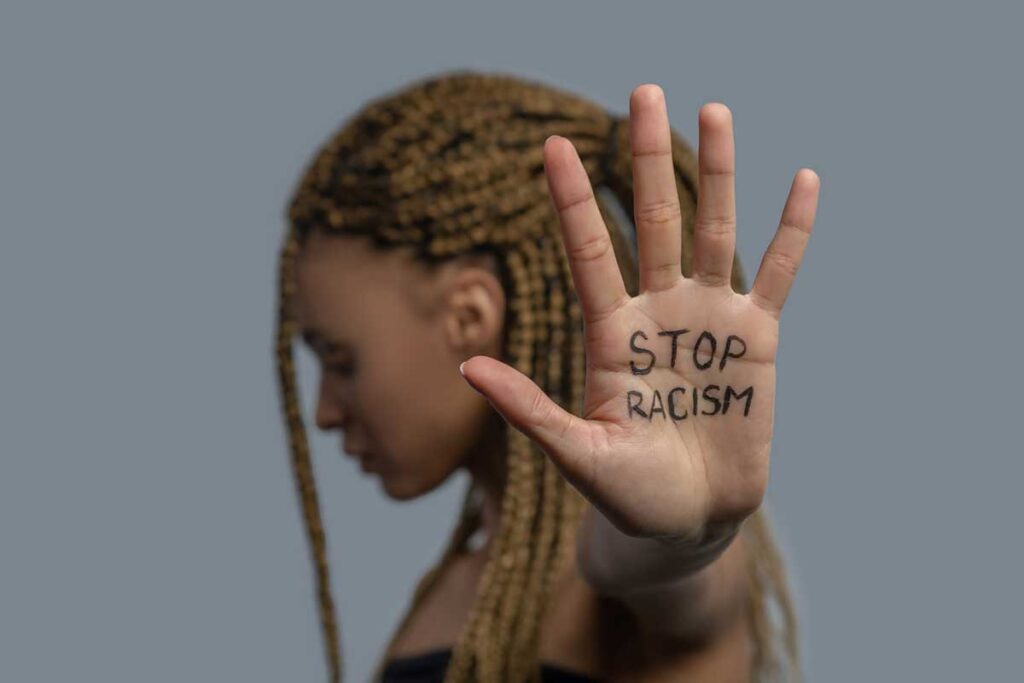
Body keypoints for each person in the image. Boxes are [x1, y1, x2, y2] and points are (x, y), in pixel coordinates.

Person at [274, 70, 818, 682]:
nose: (323, 411)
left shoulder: (629, 581)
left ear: (470, 315)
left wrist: (686, 537)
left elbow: (660, 574)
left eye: (342, 361)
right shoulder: (457, 587)